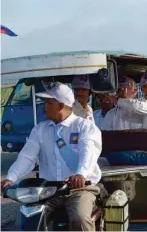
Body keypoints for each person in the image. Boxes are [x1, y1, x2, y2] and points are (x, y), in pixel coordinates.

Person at [1, 82, 102, 231]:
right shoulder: (40, 130)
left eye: (48, 103)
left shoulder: (84, 127)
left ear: (61, 106)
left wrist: (81, 174)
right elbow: (27, 157)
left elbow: (88, 151)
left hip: (79, 190)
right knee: (26, 220)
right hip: (47, 191)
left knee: (80, 219)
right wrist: (11, 177)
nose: (43, 107)